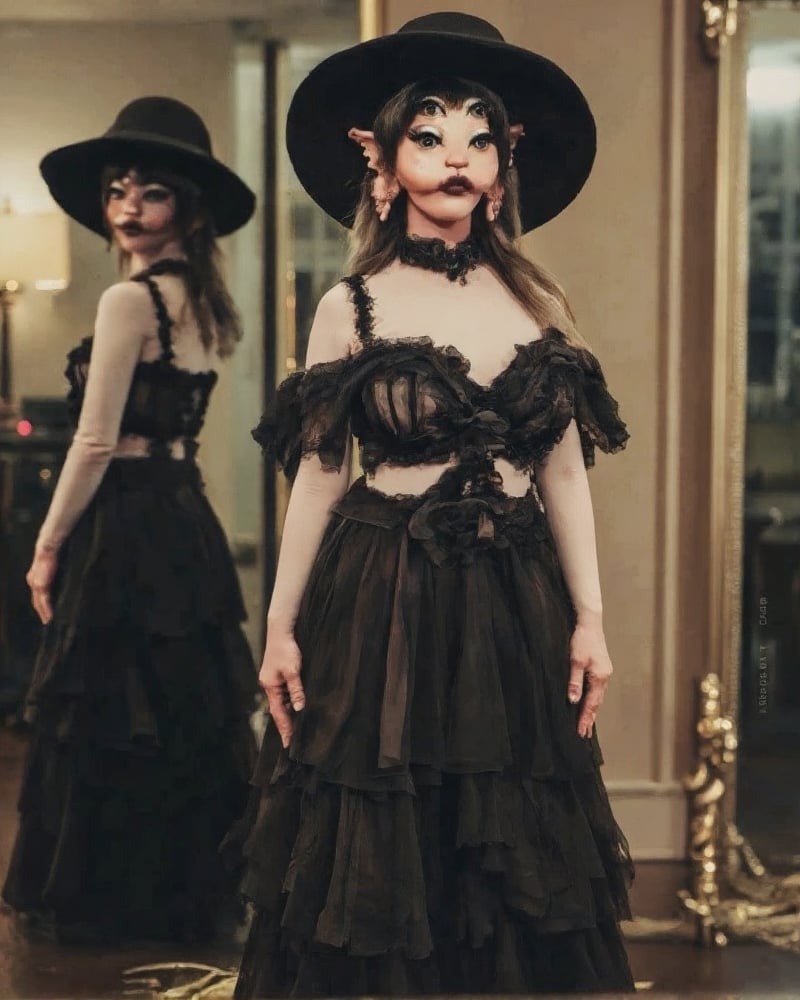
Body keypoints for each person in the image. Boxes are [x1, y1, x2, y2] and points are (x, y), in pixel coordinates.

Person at [233, 13, 635, 996]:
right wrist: (280, 623)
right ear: (379, 158)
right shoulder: (352, 305)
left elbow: (563, 469)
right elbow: (319, 471)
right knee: (384, 820)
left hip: (513, 595)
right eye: (429, 132)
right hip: (384, 592)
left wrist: (589, 616)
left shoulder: (534, 302)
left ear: (503, 165)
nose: (455, 154)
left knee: (507, 837)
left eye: (477, 135)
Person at [2, 96, 259, 945]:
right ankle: (180, 892)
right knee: (178, 704)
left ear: (186, 205)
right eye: (118, 189)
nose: (126, 206)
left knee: (114, 708)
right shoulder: (205, 303)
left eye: (149, 191)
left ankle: (114, 900)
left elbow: (96, 439)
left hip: (128, 522)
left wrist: (45, 548)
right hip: (184, 519)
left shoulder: (129, 302)